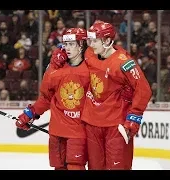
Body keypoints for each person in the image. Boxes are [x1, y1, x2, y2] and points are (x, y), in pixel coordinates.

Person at [51, 20, 152, 170]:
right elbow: (76, 43)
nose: (91, 44)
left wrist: (134, 116)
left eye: (95, 40)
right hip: (92, 123)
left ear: (107, 41)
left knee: (117, 167)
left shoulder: (123, 63)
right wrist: (60, 51)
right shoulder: (90, 53)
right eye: (90, 40)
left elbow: (143, 89)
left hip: (115, 124)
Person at [15, 28, 90, 170]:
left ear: (81, 45)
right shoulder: (56, 68)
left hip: (78, 131)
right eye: (65, 44)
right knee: (58, 167)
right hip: (57, 130)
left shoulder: (91, 68)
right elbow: (45, 98)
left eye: (71, 44)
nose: (67, 48)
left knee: (75, 166)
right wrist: (30, 114)